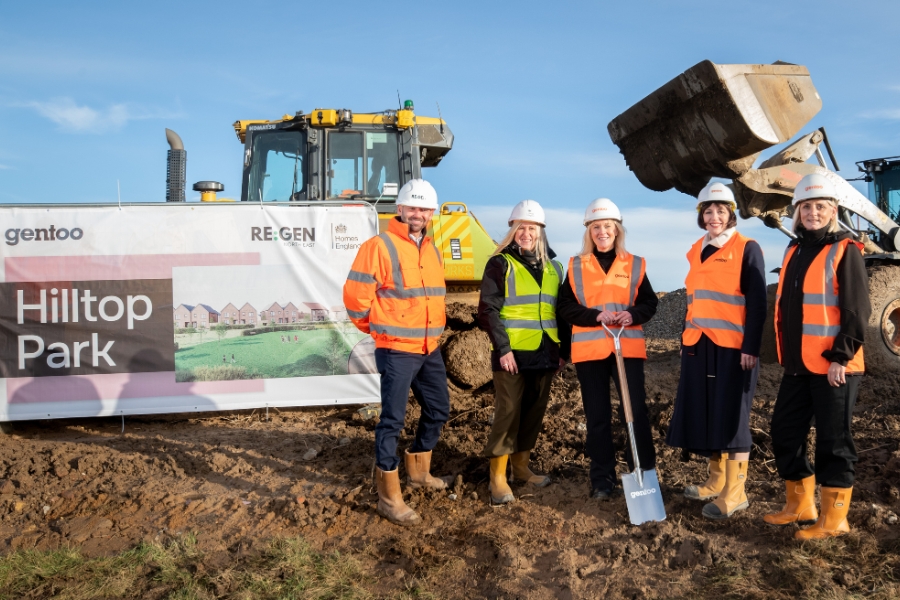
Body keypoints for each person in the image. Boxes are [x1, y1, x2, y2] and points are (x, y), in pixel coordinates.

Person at [765, 173, 870, 540]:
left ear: (833, 210)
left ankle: (834, 520)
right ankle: (801, 505)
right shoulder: (794, 249)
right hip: (798, 365)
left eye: (820, 206)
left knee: (833, 439)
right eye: (806, 206)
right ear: (797, 211)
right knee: (784, 432)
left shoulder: (846, 249)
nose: (813, 213)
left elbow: (857, 310)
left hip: (835, 366)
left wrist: (841, 357)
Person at [343, 178, 450, 526]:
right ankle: (389, 496)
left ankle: (418, 470)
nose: (417, 214)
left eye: (424, 209)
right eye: (412, 207)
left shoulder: (432, 249)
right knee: (392, 420)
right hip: (397, 349)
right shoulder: (380, 245)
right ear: (400, 209)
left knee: (438, 409)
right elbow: (356, 298)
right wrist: (378, 329)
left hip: (428, 347)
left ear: (431, 213)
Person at [665, 182, 767, 519]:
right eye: (708, 211)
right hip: (698, 344)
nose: (714, 217)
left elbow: (757, 304)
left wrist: (750, 346)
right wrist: (685, 338)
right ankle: (715, 482)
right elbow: (693, 300)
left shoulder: (747, 248)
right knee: (708, 410)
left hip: (733, 347)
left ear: (731, 213)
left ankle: (735, 493)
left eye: (720, 210)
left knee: (733, 416)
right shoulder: (697, 249)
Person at [557, 198, 658, 499]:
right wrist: (595, 316)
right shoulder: (576, 265)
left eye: (608, 227)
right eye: (596, 227)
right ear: (589, 231)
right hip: (590, 353)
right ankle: (602, 478)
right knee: (597, 416)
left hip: (626, 350)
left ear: (617, 230)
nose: (602, 232)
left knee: (635, 412)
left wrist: (632, 314)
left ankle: (643, 473)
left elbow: (650, 303)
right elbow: (564, 307)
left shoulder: (634, 264)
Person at [477, 200, 568, 504]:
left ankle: (521, 468)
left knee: (532, 413)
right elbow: (488, 310)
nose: (526, 233)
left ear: (541, 232)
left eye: (532, 228)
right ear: (512, 230)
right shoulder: (500, 263)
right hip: (511, 355)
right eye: (521, 227)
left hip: (545, 353)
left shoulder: (555, 267)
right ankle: (498, 478)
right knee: (508, 413)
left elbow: (561, 312)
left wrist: (563, 351)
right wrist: (503, 349)